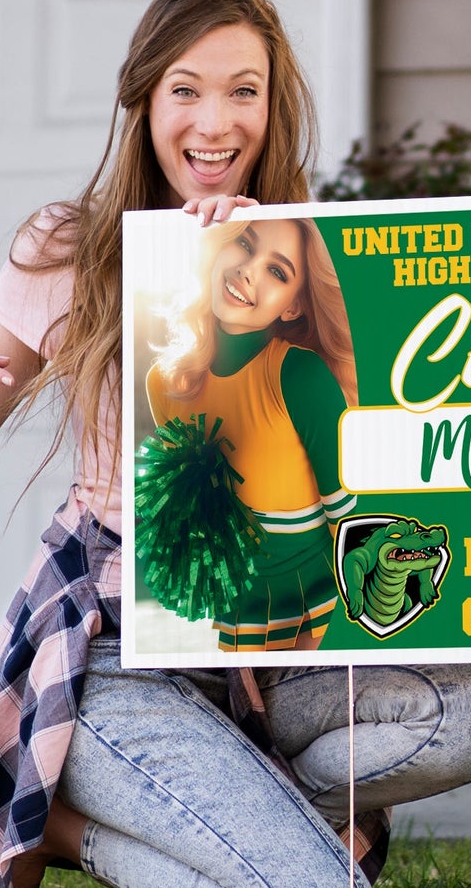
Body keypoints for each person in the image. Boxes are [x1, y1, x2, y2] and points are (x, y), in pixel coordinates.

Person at [0, 0, 471, 888]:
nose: (214, 121)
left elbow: (368, 461)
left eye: (244, 92)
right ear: (144, 102)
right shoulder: (70, 246)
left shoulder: (319, 258)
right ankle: (58, 818)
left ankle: (197, 805)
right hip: (119, 646)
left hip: (270, 653)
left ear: (276, 109)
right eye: (185, 90)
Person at [144, 215, 358, 651]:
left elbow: (350, 517)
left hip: (322, 612)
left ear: (293, 306)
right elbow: (188, 515)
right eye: (245, 244)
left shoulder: (299, 375)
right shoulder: (165, 383)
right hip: (241, 617)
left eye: (276, 271)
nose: (249, 270)